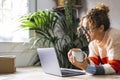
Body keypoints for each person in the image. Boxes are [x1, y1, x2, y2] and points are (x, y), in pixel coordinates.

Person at [68, 3, 120, 75]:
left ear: (101, 28)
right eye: (83, 29)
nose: (84, 33)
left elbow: (114, 67)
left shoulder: (114, 36)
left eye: (88, 29)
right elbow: (93, 64)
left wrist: (86, 68)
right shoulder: (93, 43)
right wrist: (81, 56)